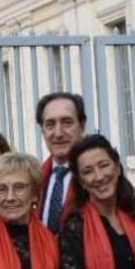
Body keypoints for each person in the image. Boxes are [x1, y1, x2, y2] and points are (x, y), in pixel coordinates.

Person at [56, 135, 135, 269]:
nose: (99, 177)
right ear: (82, 182)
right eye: (88, 171)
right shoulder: (75, 228)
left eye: (103, 165)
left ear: (117, 168)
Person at [36, 92, 86, 232]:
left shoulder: (99, 178)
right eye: (50, 124)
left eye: (67, 122)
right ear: (43, 131)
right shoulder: (33, 181)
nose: (58, 133)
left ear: (82, 126)